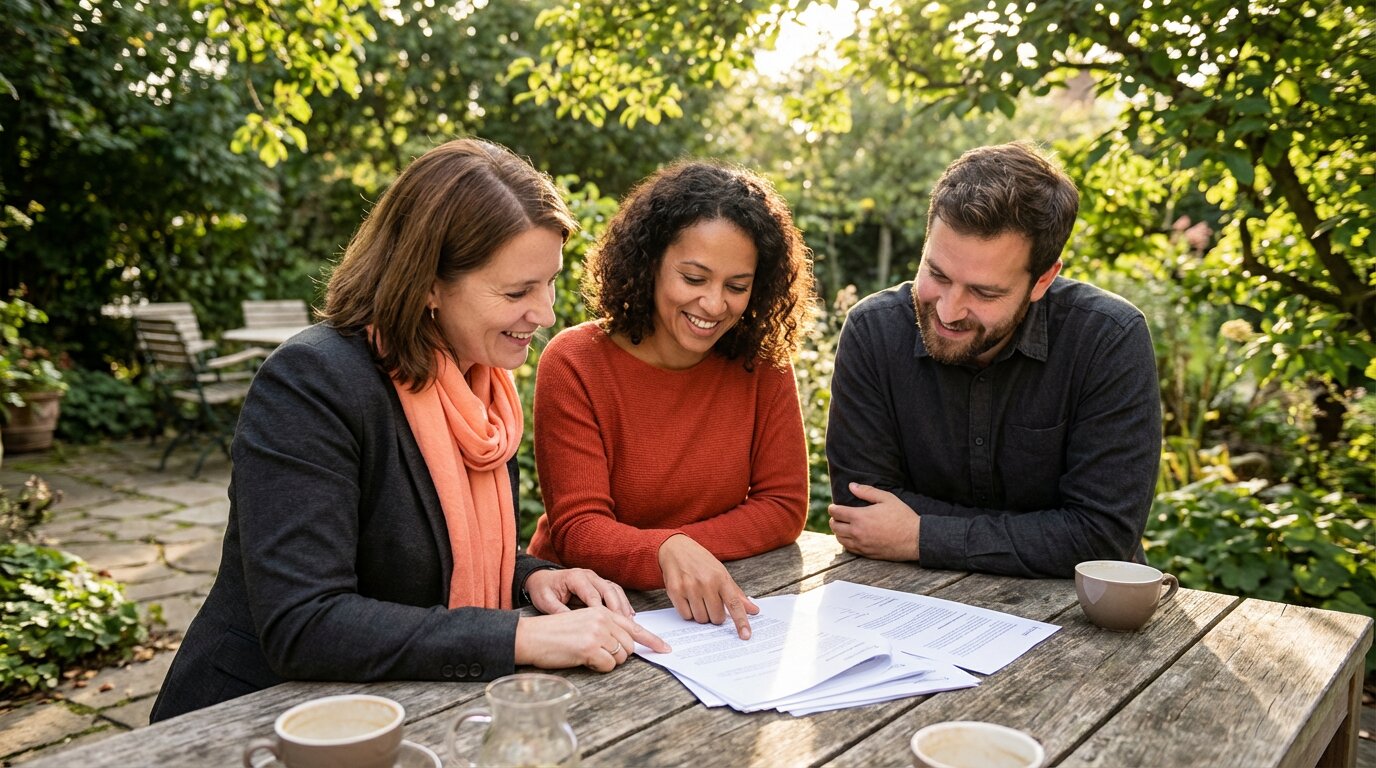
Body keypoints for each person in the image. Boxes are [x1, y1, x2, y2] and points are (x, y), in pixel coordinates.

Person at [151, 138, 667, 722]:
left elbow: (432, 561)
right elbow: (305, 622)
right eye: (517, 291)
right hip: (254, 719)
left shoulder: (482, 389)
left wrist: (537, 580)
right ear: (427, 284)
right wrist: (520, 637)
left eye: (549, 282)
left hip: (405, 708)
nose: (546, 313)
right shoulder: (312, 383)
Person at [825, 141, 1162, 579]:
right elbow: (862, 510)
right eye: (937, 274)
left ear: (1043, 280)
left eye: (985, 293)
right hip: (905, 605)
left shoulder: (1108, 339)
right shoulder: (873, 332)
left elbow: (1103, 537)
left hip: (1079, 623)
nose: (948, 310)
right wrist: (1041, 533)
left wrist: (921, 535)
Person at [527, 161, 815, 640]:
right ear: (651, 263)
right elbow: (579, 530)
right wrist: (666, 553)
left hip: (711, 611)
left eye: (737, 286)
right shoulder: (576, 362)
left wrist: (682, 550)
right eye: (694, 278)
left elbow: (783, 507)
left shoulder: (761, 365)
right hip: (583, 609)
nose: (715, 304)